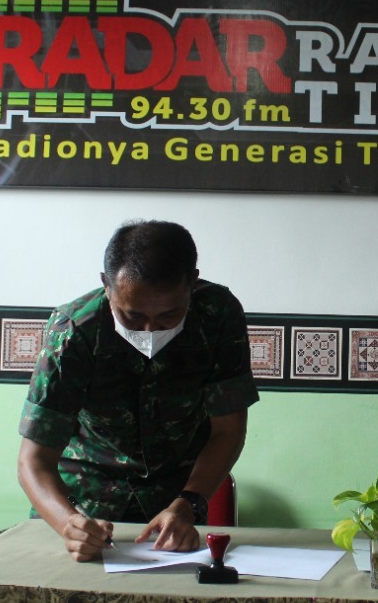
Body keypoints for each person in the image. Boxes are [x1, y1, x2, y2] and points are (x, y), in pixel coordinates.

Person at [17, 220, 259, 561]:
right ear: (106, 286)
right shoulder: (74, 331)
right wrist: (68, 523)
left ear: (192, 283)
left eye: (169, 316)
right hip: (83, 508)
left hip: (177, 512)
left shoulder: (217, 314)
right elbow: (33, 460)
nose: (149, 330)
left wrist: (189, 503)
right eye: (131, 316)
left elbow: (228, 430)